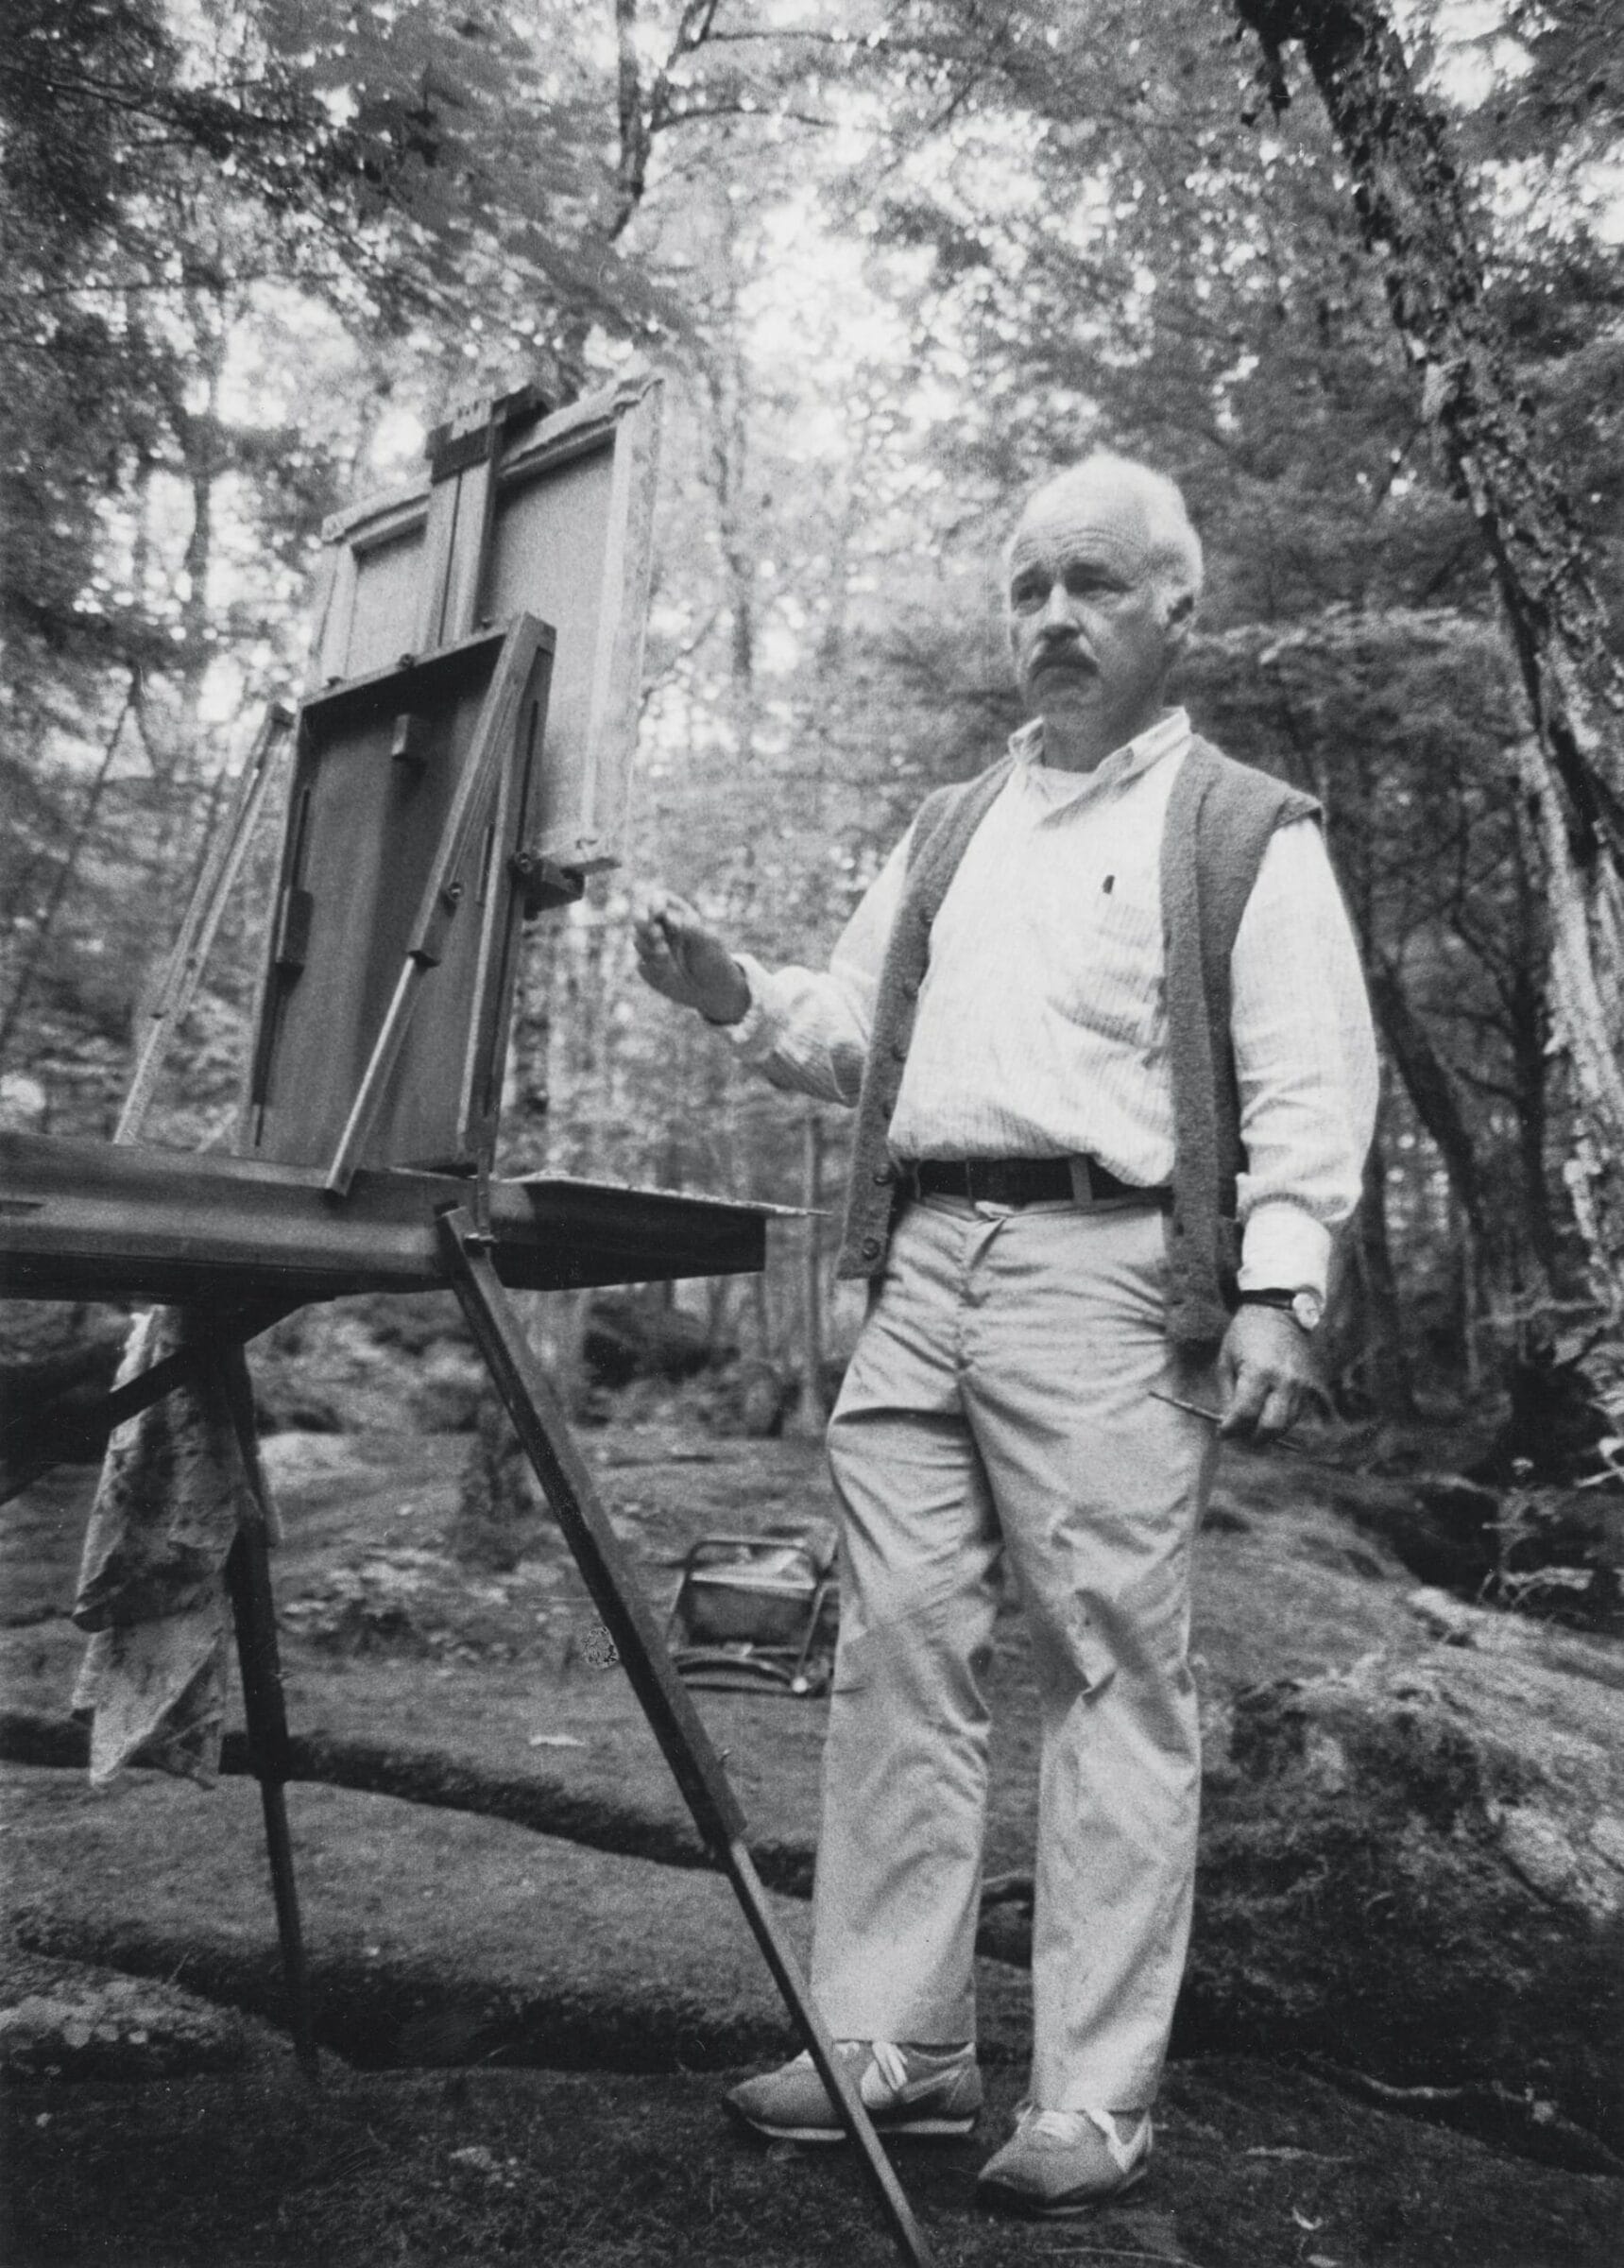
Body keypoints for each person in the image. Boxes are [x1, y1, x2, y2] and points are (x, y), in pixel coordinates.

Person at [632, 452, 1377, 2218]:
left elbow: (1305, 1082)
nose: (1053, 618)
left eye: (1094, 585)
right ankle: (895, 2043)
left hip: (1110, 1272)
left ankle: (1096, 2102)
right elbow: (851, 1033)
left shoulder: (1242, 830)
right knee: (898, 1648)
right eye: (1029, 587)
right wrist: (735, 988)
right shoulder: (950, 825)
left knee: (1113, 1671)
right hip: (922, 1261)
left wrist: (1282, 1287)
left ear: (1177, 607)